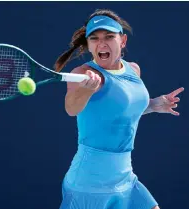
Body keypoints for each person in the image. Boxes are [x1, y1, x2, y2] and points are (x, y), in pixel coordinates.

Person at [54, 9, 184, 209]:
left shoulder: (133, 69)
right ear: (89, 45)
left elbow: (123, 110)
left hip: (125, 177)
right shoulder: (82, 73)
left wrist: (155, 104)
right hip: (89, 183)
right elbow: (71, 108)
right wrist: (86, 92)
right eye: (94, 38)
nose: (102, 43)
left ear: (122, 41)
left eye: (109, 37)